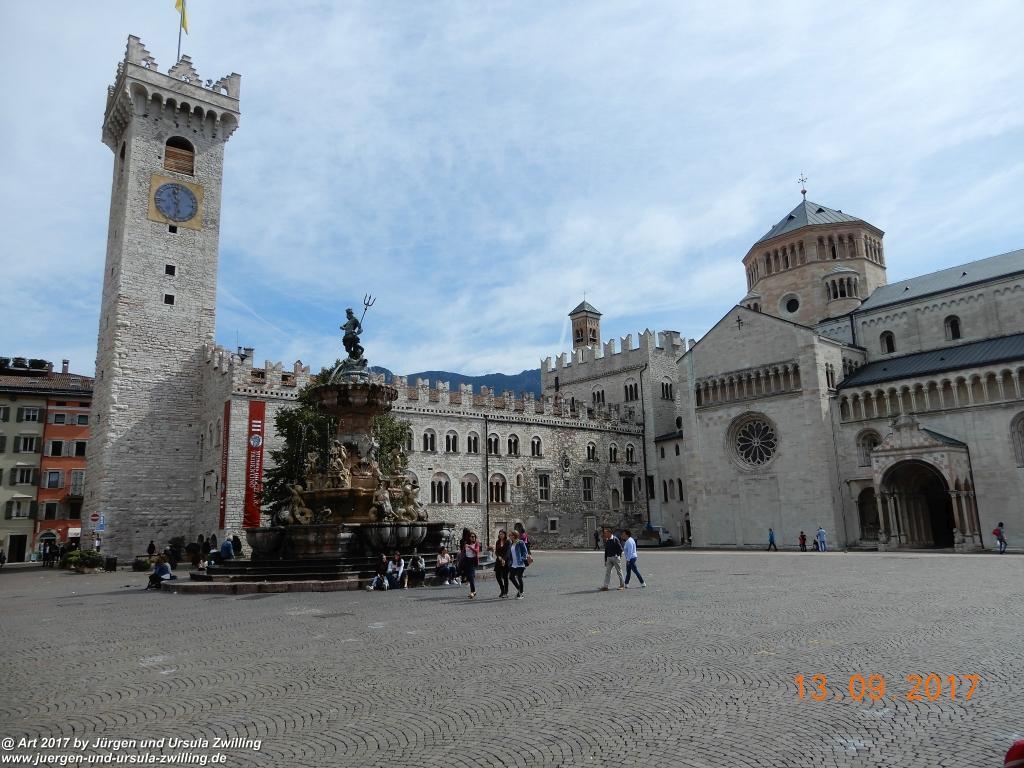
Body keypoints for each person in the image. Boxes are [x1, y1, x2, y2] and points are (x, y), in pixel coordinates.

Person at [508, 529, 528, 599]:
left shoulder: (520, 542)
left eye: (511, 535)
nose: (509, 536)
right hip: (513, 564)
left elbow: (525, 552)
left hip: (520, 564)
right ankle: (520, 589)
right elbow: (511, 554)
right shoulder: (511, 543)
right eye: (509, 535)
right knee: (511, 577)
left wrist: (522, 559)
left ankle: (521, 593)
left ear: (514, 536)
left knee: (519, 578)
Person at [462, 531, 481, 599]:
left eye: (474, 537)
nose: (473, 538)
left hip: (473, 560)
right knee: (470, 576)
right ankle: (473, 591)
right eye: (472, 537)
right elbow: (464, 552)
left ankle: (473, 591)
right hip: (467, 560)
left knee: (471, 576)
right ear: (469, 537)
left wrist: (470, 547)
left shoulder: (476, 543)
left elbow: (477, 551)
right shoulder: (466, 543)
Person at [493, 530, 511, 598]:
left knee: (505, 577)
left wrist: (504, 559)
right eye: (500, 534)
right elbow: (496, 551)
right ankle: (502, 589)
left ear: (505, 535)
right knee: (497, 576)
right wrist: (498, 556)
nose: (501, 535)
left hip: (506, 561)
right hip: (499, 561)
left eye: (502, 534)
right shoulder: (498, 542)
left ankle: (506, 592)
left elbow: (508, 551)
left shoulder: (508, 542)